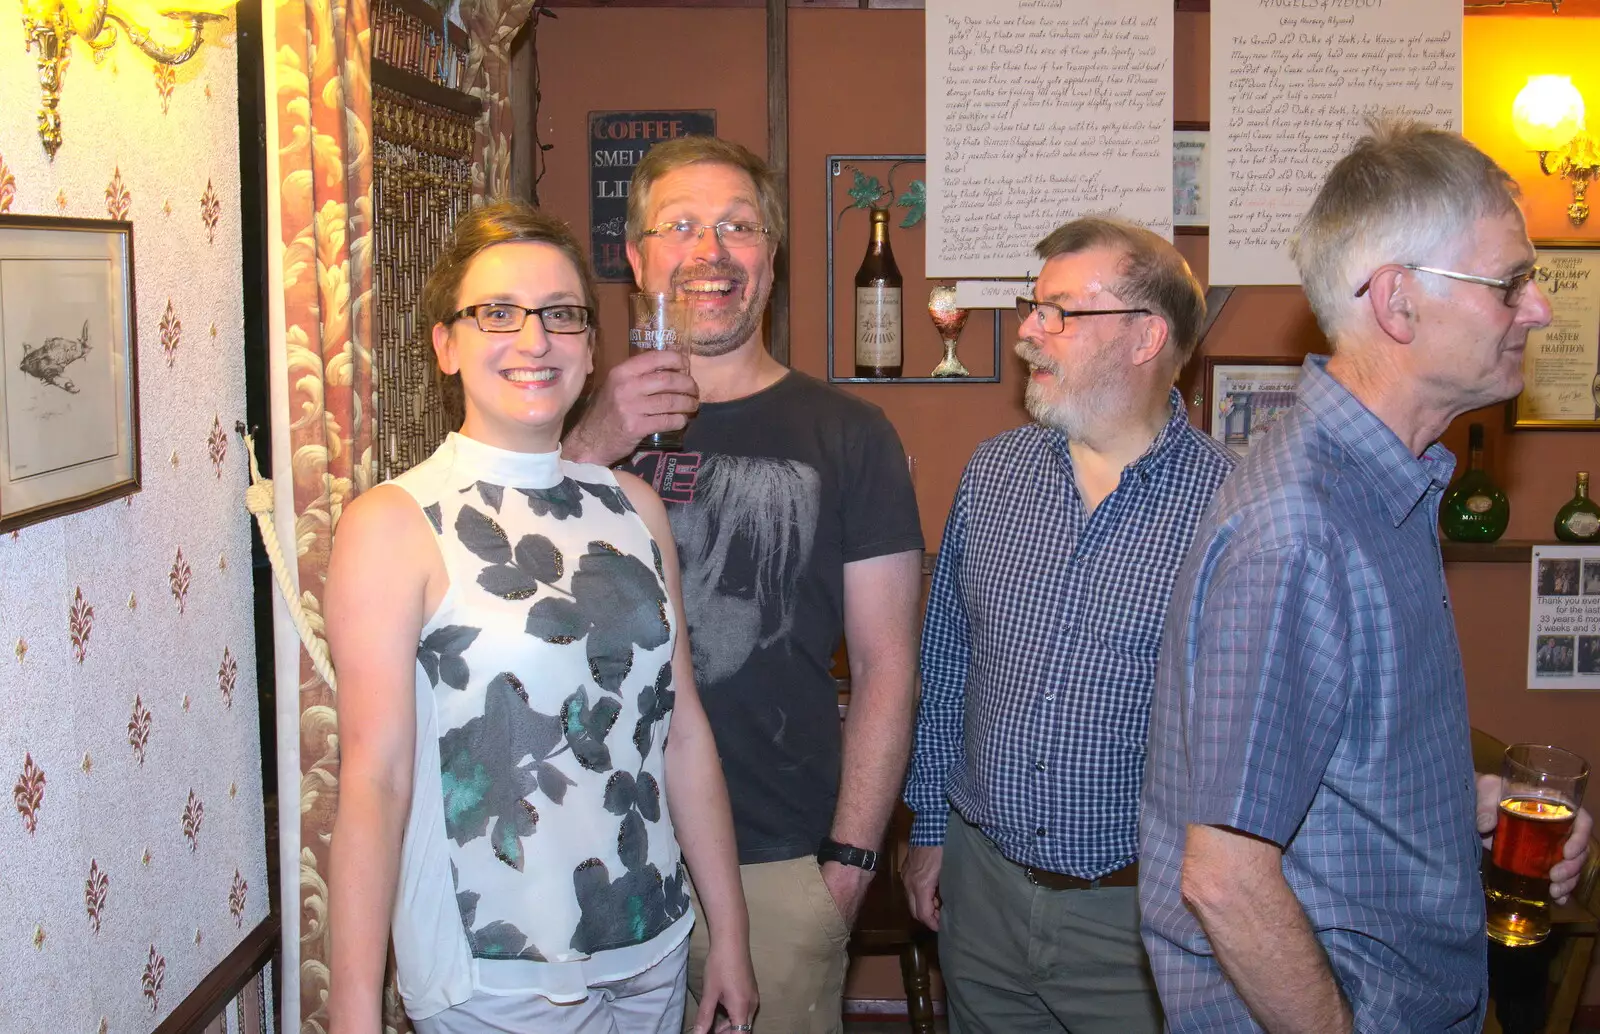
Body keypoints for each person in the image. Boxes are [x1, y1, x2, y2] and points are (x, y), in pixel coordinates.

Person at [1139, 120, 1595, 1033]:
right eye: (1510, 281)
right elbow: (1225, 878)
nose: (1538, 309)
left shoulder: (1380, 485)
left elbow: (1325, 779)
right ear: (1399, 303)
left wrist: (1472, 804)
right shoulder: (1302, 527)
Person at [323, 201, 756, 1034]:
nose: (534, 340)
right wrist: (352, 1012)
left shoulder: (631, 506)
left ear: (592, 348)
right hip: (495, 974)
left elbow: (682, 731)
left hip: (652, 947)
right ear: (446, 345)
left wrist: (727, 933)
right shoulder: (394, 522)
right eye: (498, 314)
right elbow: (374, 782)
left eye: (561, 315)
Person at [563, 136, 925, 1034]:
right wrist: (591, 444)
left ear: (770, 259)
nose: (712, 249)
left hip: (778, 865)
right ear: (639, 259)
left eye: (739, 225)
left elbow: (887, 665)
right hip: (589, 860)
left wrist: (845, 867)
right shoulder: (562, 432)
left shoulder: (851, 433)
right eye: (680, 225)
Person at [902, 216, 1236, 1032]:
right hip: (981, 896)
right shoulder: (995, 475)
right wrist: (928, 826)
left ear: (1145, 336)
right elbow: (948, 665)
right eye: (1033, 306)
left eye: (1058, 312)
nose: (1026, 333)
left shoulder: (1235, 507)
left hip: (1138, 925)